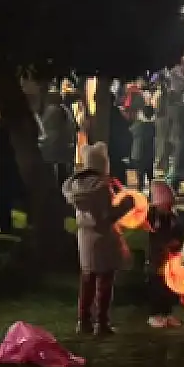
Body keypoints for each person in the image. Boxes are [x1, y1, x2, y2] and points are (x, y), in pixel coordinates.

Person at [63, 140, 131, 336]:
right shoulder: (101, 187)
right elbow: (107, 215)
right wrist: (126, 204)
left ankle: (83, 321)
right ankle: (101, 323)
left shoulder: (76, 185)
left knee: (87, 279)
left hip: (85, 237)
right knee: (105, 281)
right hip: (103, 238)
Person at [144, 178, 184, 328]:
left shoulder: (173, 218)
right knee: (156, 288)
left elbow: (180, 233)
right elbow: (152, 236)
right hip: (156, 261)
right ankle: (155, 314)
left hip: (170, 261)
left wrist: (177, 242)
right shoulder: (151, 217)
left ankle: (167, 313)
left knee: (168, 289)